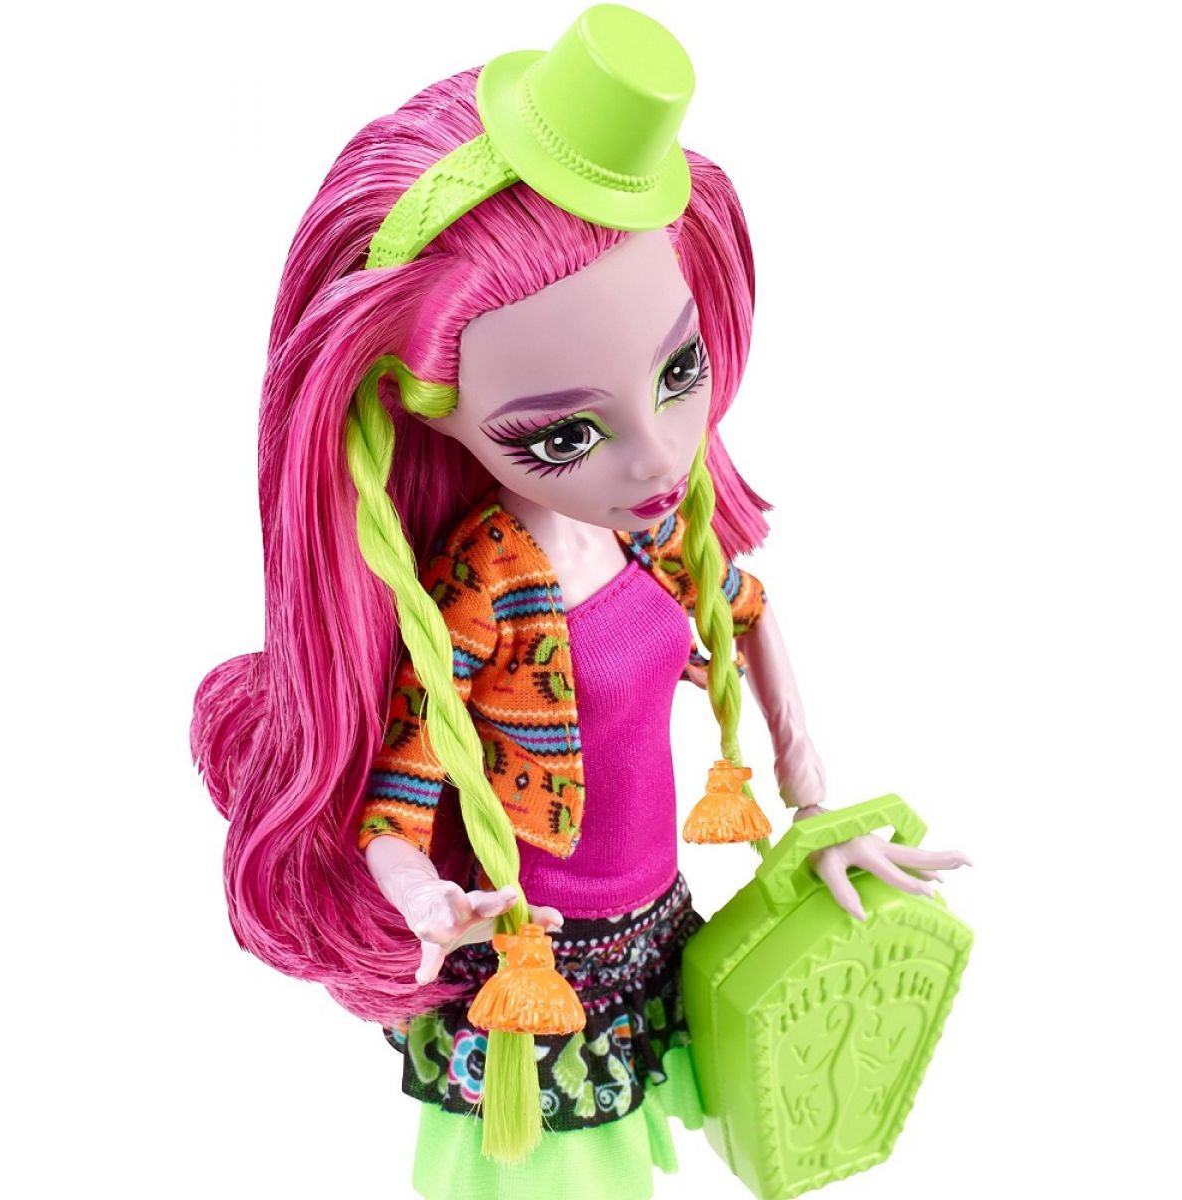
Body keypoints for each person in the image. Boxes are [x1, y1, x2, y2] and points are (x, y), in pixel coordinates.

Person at [191, 7, 969, 1199]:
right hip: (541, 963)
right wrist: (426, 902)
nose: (659, 454)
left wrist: (814, 803)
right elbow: (399, 799)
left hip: (660, 917)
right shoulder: (481, 596)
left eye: (678, 371)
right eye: (562, 434)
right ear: (422, 401)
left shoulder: (653, 533)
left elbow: (746, 611)